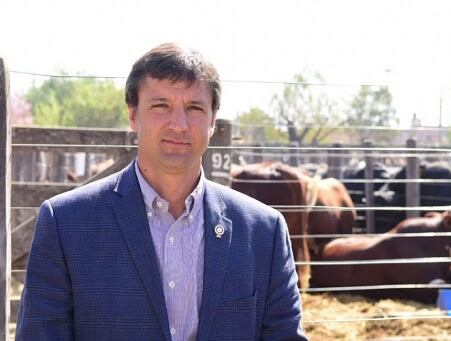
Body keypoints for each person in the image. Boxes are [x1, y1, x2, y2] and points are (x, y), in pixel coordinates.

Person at [16, 43, 307, 341]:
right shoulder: (66, 223)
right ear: (133, 115)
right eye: (160, 106)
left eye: (194, 108)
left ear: (212, 121)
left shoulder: (263, 232)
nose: (178, 124)